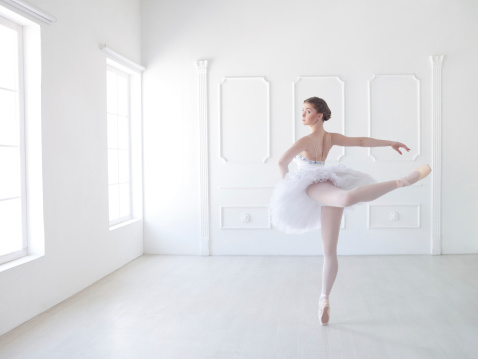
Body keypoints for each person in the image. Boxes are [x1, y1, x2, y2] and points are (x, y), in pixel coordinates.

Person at [269, 97, 431, 326]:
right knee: (343, 199)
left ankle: (324, 298)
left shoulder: (311, 139)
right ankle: (401, 182)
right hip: (314, 186)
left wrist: (390, 142)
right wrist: (290, 191)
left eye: (307, 111)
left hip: (320, 184)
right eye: (302, 111)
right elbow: (361, 142)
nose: (302, 115)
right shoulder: (324, 138)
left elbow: (282, 163)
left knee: (329, 249)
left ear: (320, 115)